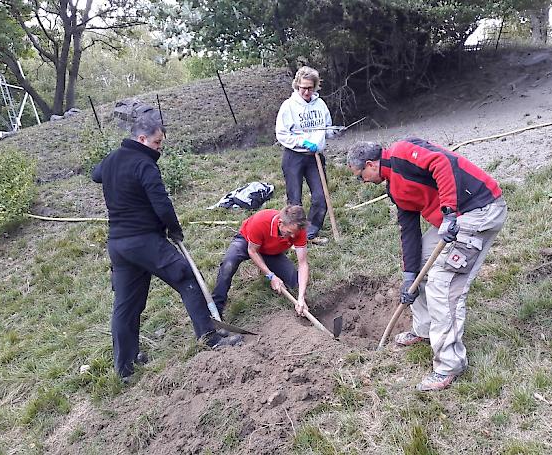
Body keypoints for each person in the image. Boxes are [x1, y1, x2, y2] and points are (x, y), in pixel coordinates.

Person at [92, 106, 241, 379]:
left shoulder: (113, 159)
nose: (160, 149)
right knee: (186, 277)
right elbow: (161, 203)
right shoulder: (144, 164)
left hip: (119, 246)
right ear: (141, 140)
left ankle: (125, 368)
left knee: (126, 305)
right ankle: (210, 338)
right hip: (145, 241)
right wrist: (175, 230)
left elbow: (96, 174)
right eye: (157, 142)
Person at [347, 138, 507, 391]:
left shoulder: (402, 152)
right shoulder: (395, 189)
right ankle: (424, 328)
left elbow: (440, 162)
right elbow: (408, 231)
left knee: (443, 285)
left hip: (479, 209)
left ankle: (448, 365)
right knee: (421, 267)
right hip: (454, 219)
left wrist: (449, 213)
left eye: (360, 175)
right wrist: (409, 277)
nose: (363, 181)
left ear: (370, 164)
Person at [275, 66, 341, 245]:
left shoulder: (320, 105)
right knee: (294, 199)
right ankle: (291, 233)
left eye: (310, 88)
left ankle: (311, 231)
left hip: (315, 157)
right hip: (294, 157)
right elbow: (281, 134)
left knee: (321, 196)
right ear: (297, 86)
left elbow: (326, 128)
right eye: (302, 87)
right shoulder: (288, 106)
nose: (306, 91)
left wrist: (333, 132)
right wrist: (302, 142)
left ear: (315, 87)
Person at [212, 205, 310, 317]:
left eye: (295, 233)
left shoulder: (298, 230)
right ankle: (216, 309)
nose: (292, 236)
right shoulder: (261, 221)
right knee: (228, 265)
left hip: (271, 251)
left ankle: (301, 305)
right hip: (247, 243)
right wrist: (271, 276)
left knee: (294, 281)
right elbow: (252, 251)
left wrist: (301, 297)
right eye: (288, 232)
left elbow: (303, 263)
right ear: (280, 223)